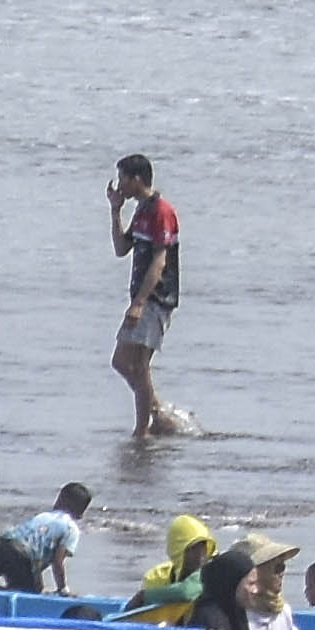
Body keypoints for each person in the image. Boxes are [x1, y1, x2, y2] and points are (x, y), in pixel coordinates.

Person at [108, 151, 190, 435]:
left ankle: (143, 430)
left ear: (137, 179)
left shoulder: (161, 211)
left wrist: (140, 303)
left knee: (139, 364)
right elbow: (121, 249)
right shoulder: (141, 210)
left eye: (123, 179)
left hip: (156, 298)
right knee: (121, 361)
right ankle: (158, 413)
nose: (120, 184)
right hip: (140, 299)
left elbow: (160, 261)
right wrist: (115, 210)